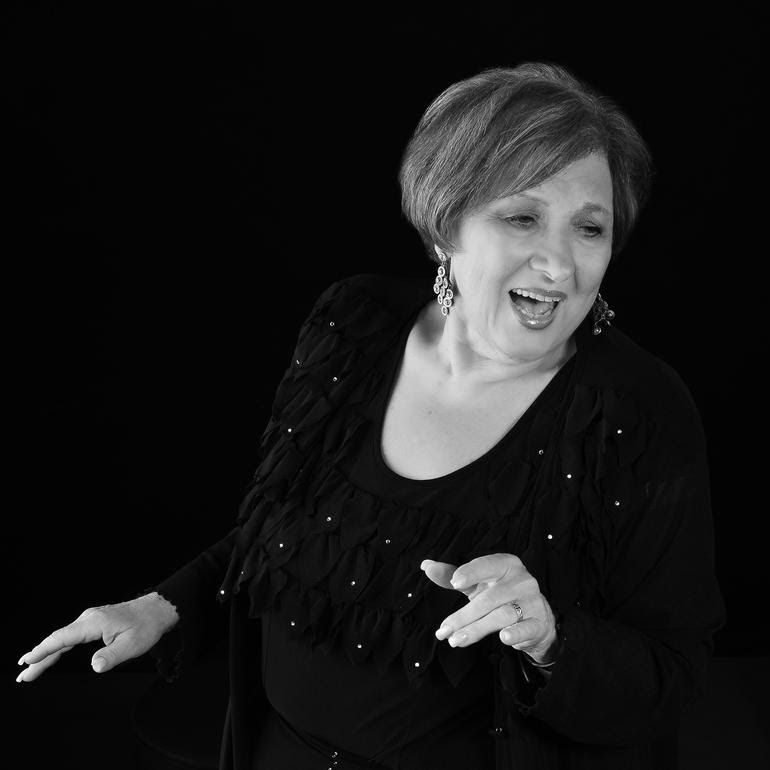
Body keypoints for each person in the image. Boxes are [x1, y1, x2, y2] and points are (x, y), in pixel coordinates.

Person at [16, 62, 725, 770]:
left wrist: (549, 640)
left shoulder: (635, 409)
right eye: (522, 217)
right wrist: (162, 610)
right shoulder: (353, 325)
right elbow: (290, 535)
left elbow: (672, 679)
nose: (560, 265)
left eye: (589, 229)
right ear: (447, 224)